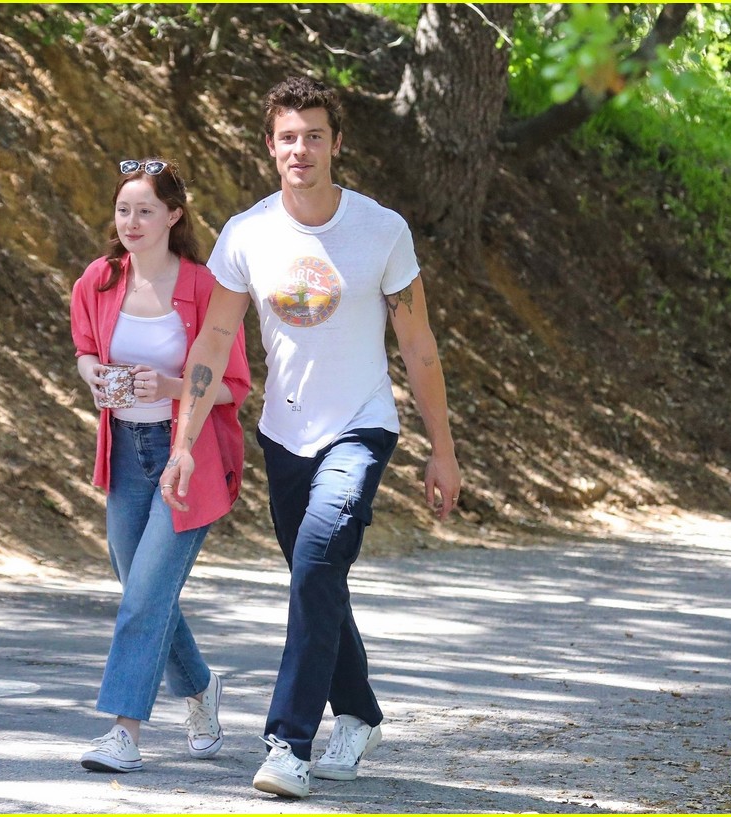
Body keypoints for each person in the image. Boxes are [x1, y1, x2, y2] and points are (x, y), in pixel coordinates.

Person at [159, 77, 462, 798]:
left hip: (361, 426)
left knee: (319, 557)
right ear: (271, 148)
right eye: (288, 137)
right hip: (284, 436)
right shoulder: (248, 233)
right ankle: (357, 712)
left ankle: (287, 743)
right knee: (316, 577)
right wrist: (184, 439)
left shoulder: (380, 230)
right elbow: (214, 339)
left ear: (336, 144)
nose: (302, 148)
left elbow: (418, 346)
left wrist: (442, 450)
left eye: (315, 135)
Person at [70, 157, 250, 774]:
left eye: (146, 209)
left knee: (144, 597)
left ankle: (124, 732)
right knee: (144, 591)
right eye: (124, 209)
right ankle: (199, 689)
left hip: (189, 460)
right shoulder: (98, 279)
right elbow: (86, 354)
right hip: (124, 453)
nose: (132, 220)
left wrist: (173, 386)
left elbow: (234, 387)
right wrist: (95, 375)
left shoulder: (204, 286)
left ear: (174, 216)